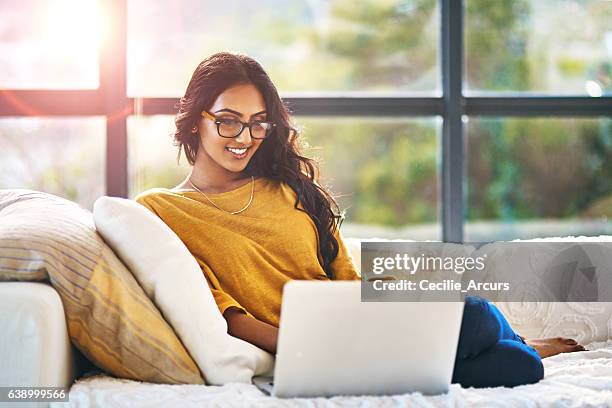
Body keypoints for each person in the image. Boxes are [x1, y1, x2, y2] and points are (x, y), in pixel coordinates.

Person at [134, 52, 585, 388]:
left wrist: (371, 328)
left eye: (258, 123)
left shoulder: (286, 185)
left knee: (502, 342)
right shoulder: (161, 210)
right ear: (195, 121)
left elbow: (344, 275)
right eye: (229, 121)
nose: (245, 138)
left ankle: (522, 343)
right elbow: (225, 313)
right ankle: (515, 345)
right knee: (502, 348)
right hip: (307, 348)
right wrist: (312, 349)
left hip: (361, 320)